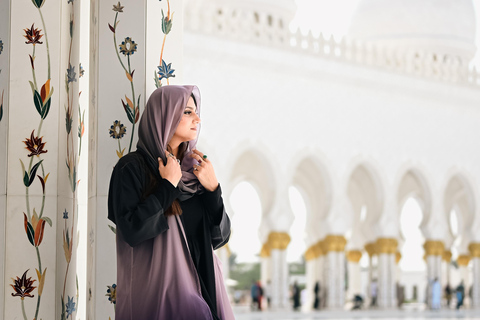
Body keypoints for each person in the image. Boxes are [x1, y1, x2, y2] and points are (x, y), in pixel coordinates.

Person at [108, 85, 234, 320]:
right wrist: (167, 186)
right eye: (187, 112)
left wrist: (213, 190)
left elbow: (220, 238)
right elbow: (132, 231)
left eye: (196, 112)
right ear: (164, 115)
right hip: (160, 301)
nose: (197, 118)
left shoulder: (195, 173)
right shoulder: (132, 168)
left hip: (207, 295)